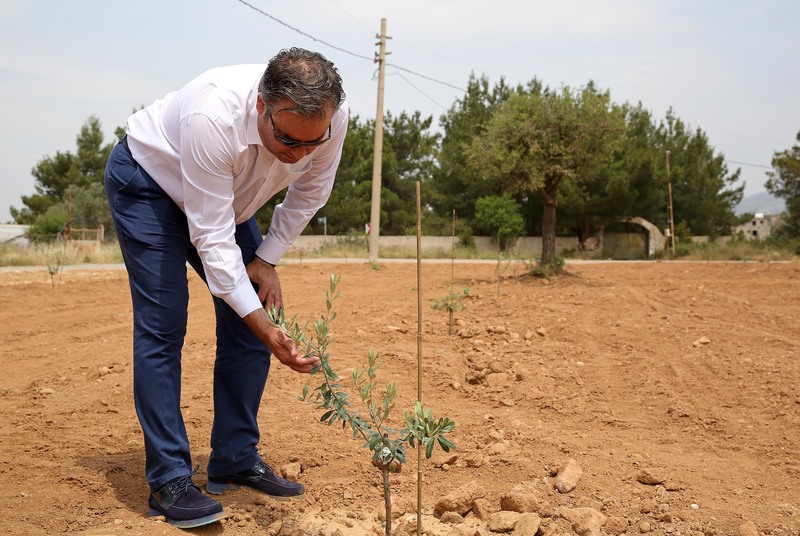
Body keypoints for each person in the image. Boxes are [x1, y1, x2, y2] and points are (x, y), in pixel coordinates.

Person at [104, 48, 347, 529]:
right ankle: (170, 479)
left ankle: (234, 458)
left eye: (311, 142)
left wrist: (266, 259)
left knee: (252, 321)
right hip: (150, 183)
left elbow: (311, 192)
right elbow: (212, 238)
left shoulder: (329, 119)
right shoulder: (212, 116)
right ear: (261, 106)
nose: (299, 154)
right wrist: (260, 322)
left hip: (226, 199)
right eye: (287, 140)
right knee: (163, 326)